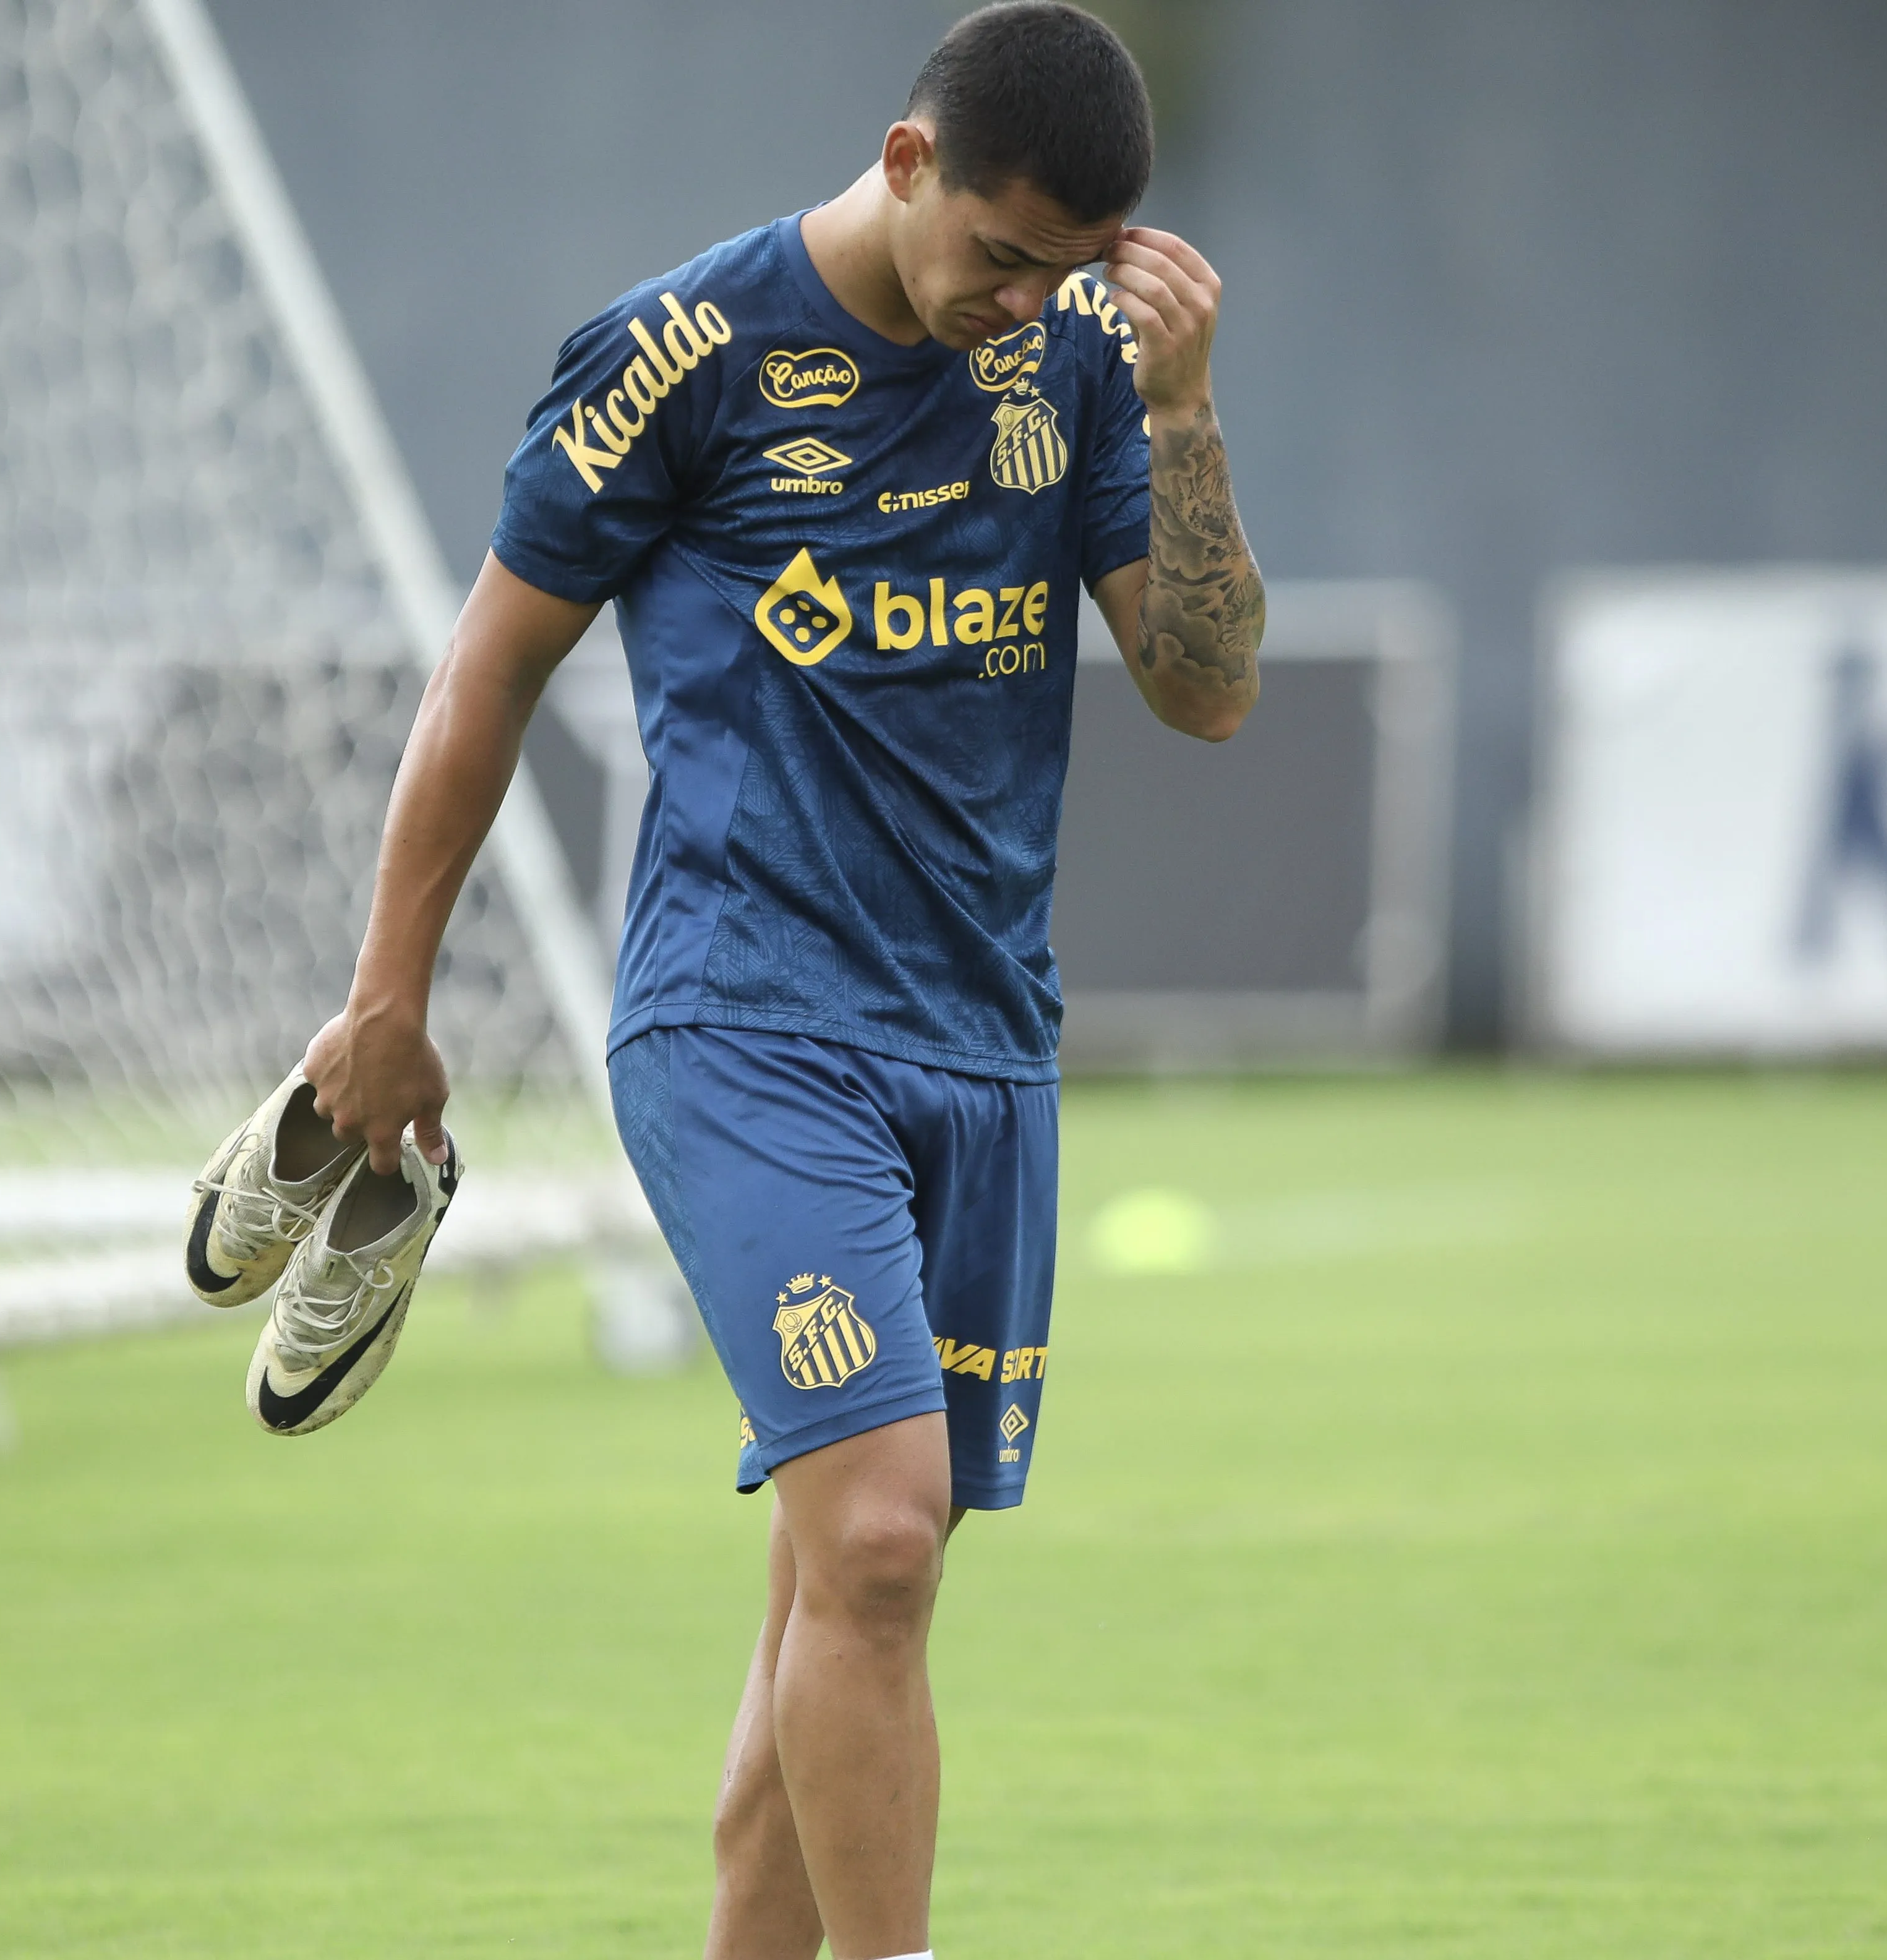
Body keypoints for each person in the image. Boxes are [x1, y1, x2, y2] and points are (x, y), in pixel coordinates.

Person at [297, 7, 1263, 1954]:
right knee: (886, 1541)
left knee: (839, 1608)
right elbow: (488, 671)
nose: (1024, 301)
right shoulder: (685, 354)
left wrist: (1179, 411)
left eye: (1064, 271)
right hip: (743, 1028)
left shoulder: (1081, 364)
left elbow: (1206, 686)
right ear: (907, 163)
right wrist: (386, 991)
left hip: (983, 1048)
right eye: (1000, 252)